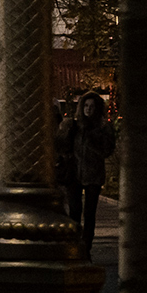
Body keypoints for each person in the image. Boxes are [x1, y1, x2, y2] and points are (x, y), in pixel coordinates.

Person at [73, 91, 117, 246]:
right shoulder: (76, 126)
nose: (88, 109)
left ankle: (86, 246)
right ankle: (74, 244)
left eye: (92, 106)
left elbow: (106, 150)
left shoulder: (103, 128)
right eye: (85, 105)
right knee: (74, 213)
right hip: (75, 174)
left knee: (89, 213)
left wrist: (93, 138)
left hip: (94, 174)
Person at [53, 95, 82, 226]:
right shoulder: (63, 127)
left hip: (67, 170)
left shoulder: (66, 127)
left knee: (72, 202)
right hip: (62, 170)